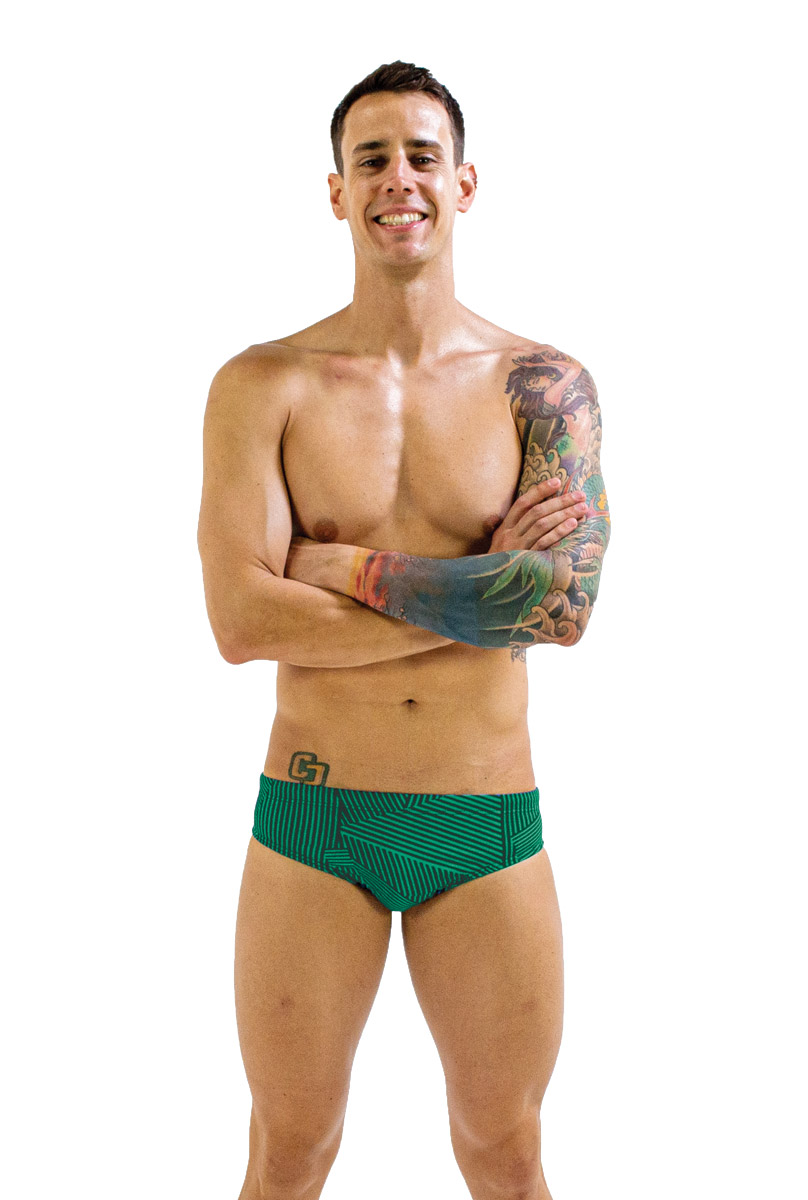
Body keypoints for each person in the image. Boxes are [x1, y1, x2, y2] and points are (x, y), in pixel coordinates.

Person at [196, 59, 610, 1200]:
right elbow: (239, 619)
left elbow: (563, 607)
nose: (397, 179)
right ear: (335, 191)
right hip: (313, 818)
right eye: (369, 158)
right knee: (289, 1153)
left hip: (482, 820)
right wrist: (482, 590)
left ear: (463, 183)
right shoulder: (262, 386)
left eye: (422, 155)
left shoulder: (543, 383)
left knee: (503, 1152)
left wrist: (343, 570)